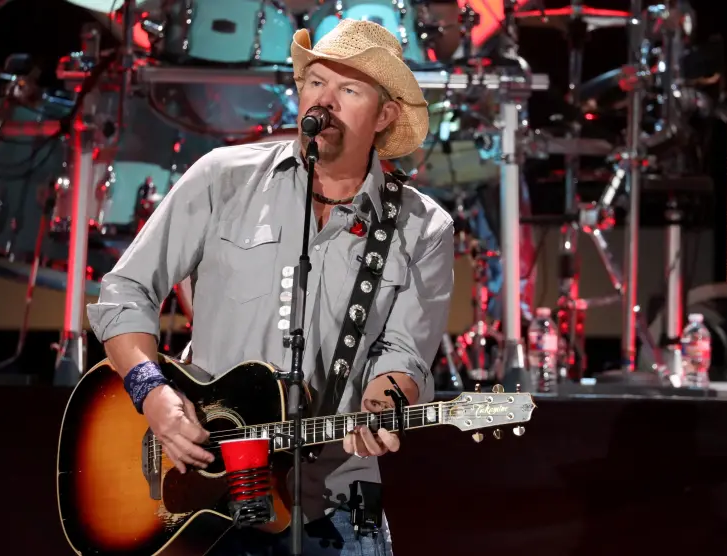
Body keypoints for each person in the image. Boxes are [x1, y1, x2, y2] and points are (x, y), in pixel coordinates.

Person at [86, 18, 455, 556]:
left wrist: (382, 406)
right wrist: (152, 393)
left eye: (349, 90)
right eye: (316, 82)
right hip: (205, 500)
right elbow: (126, 290)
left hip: (333, 508)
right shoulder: (223, 177)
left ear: (385, 115)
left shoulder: (423, 227)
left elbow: (404, 353)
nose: (324, 101)